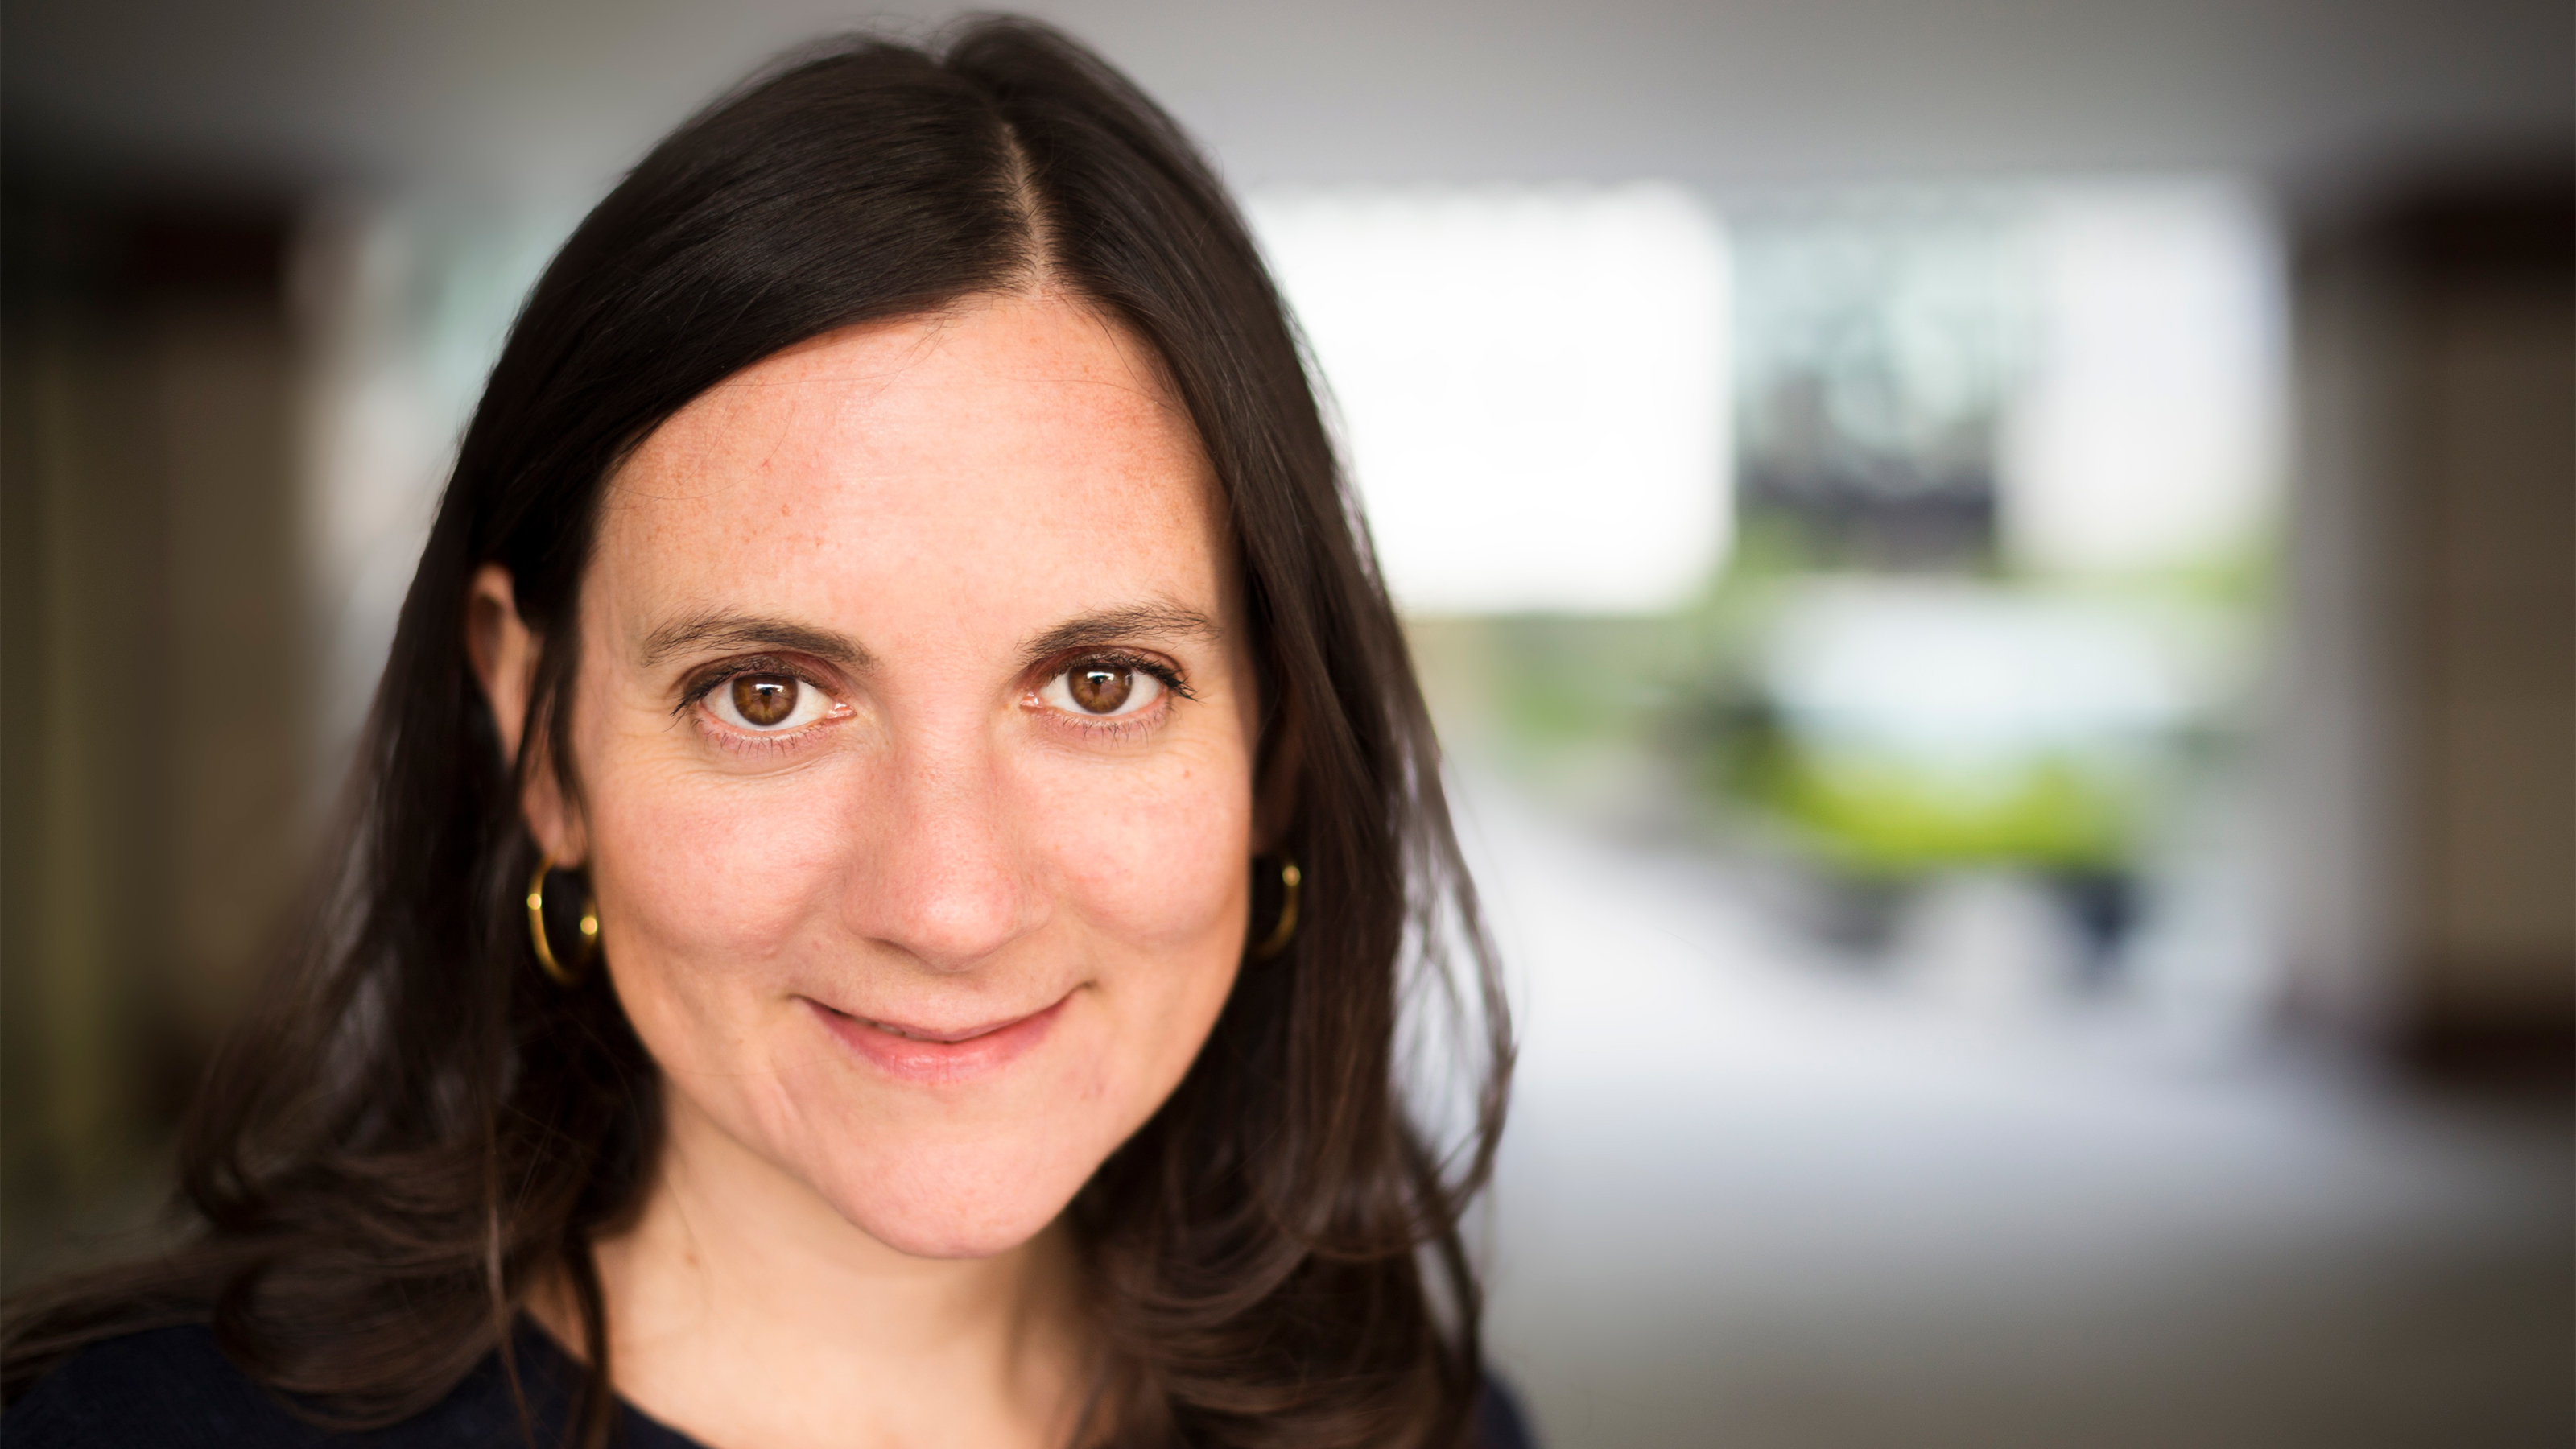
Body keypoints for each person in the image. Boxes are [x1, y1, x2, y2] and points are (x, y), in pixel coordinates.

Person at [0, 18, 1521, 1449]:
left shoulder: (1418, 1423)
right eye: (767, 693)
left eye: (1103, 683)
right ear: (542, 732)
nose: (946, 904)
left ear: (1275, 752)